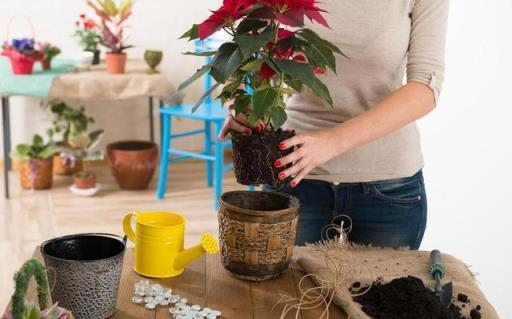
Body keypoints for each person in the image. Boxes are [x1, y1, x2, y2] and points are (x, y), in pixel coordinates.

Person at [218, 0, 449, 249]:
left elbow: (425, 88)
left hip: (388, 189)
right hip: (293, 174)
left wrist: (332, 141)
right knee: (287, 288)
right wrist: (239, 103)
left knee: (385, 288)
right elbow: (242, 48)